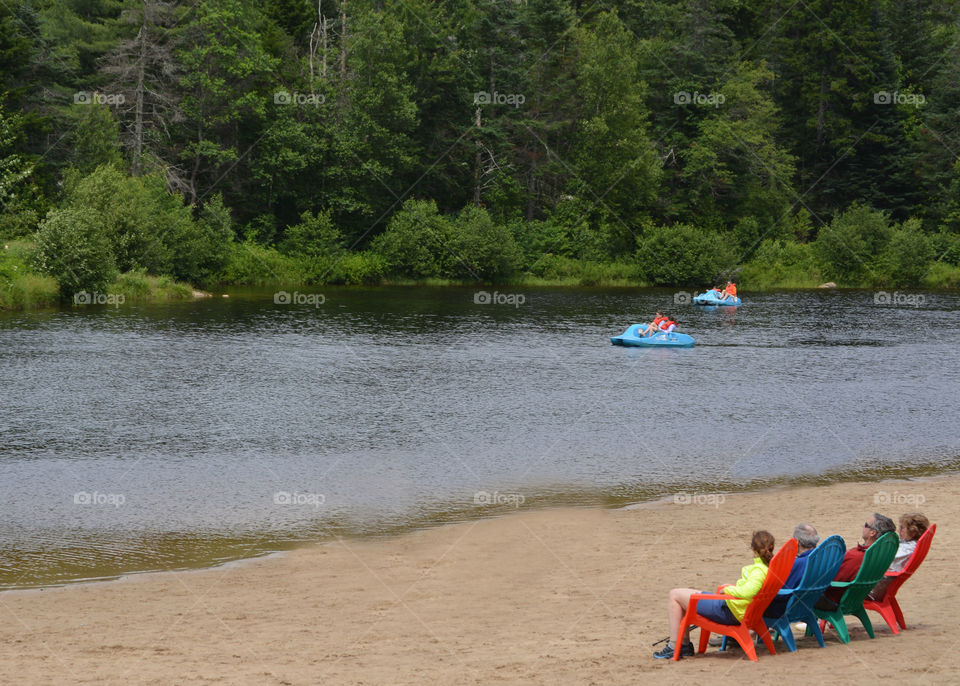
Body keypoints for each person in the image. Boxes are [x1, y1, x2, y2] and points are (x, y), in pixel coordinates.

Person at [653, 530, 776, 660]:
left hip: (729, 612)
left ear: (753, 548)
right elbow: (750, 590)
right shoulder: (767, 568)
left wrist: (729, 590)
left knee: (674, 595)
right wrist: (734, 588)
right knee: (684, 594)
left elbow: (748, 592)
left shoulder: (758, 571)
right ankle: (683, 645)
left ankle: (674, 646)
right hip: (735, 608)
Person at [816, 513, 895, 609]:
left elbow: (832, 580)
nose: (863, 526)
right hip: (856, 599)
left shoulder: (856, 557)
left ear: (872, 533)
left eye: (866, 525)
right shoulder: (880, 557)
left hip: (832, 600)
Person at [868, 513, 929, 601]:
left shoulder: (907, 549)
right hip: (881, 583)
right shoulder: (909, 545)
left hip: (874, 589)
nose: (899, 531)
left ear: (913, 532)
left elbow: (882, 558)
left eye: (902, 528)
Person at [763, 523, 820, 618]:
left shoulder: (798, 564)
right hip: (811, 603)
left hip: (789, 609)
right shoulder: (823, 559)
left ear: (797, 542)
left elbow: (783, 592)